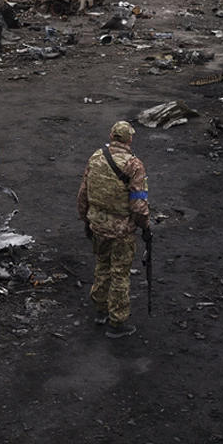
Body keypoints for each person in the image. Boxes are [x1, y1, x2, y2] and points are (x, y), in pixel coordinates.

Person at [78, 121, 150, 338]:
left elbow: (83, 192)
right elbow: (138, 204)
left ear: (111, 136)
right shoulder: (134, 165)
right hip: (121, 231)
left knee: (102, 264)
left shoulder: (96, 157)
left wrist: (86, 219)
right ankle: (117, 322)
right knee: (120, 273)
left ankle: (100, 310)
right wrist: (145, 225)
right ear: (130, 139)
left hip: (98, 225)